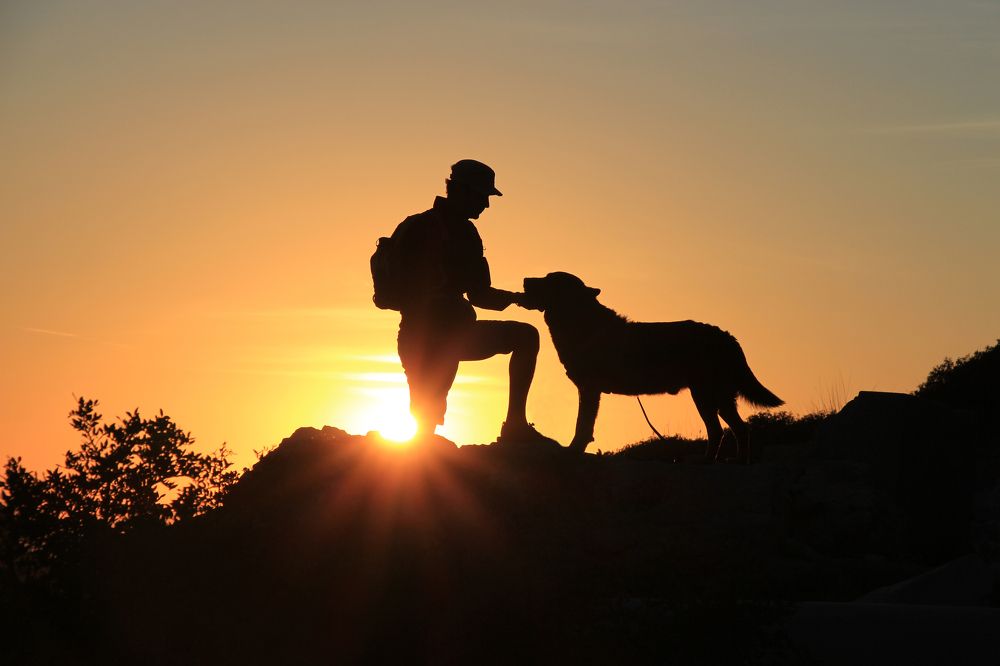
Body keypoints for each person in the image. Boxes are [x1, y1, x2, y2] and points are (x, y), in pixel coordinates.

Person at [392, 159, 557, 447]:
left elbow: (477, 294)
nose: (486, 205)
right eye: (482, 197)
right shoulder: (455, 233)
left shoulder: (421, 226)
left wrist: (517, 300)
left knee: (425, 423)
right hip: (439, 339)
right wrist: (519, 300)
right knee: (525, 336)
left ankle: (515, 426)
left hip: (427, 338)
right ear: (462, 191)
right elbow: (479, 295)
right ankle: (515, 427)